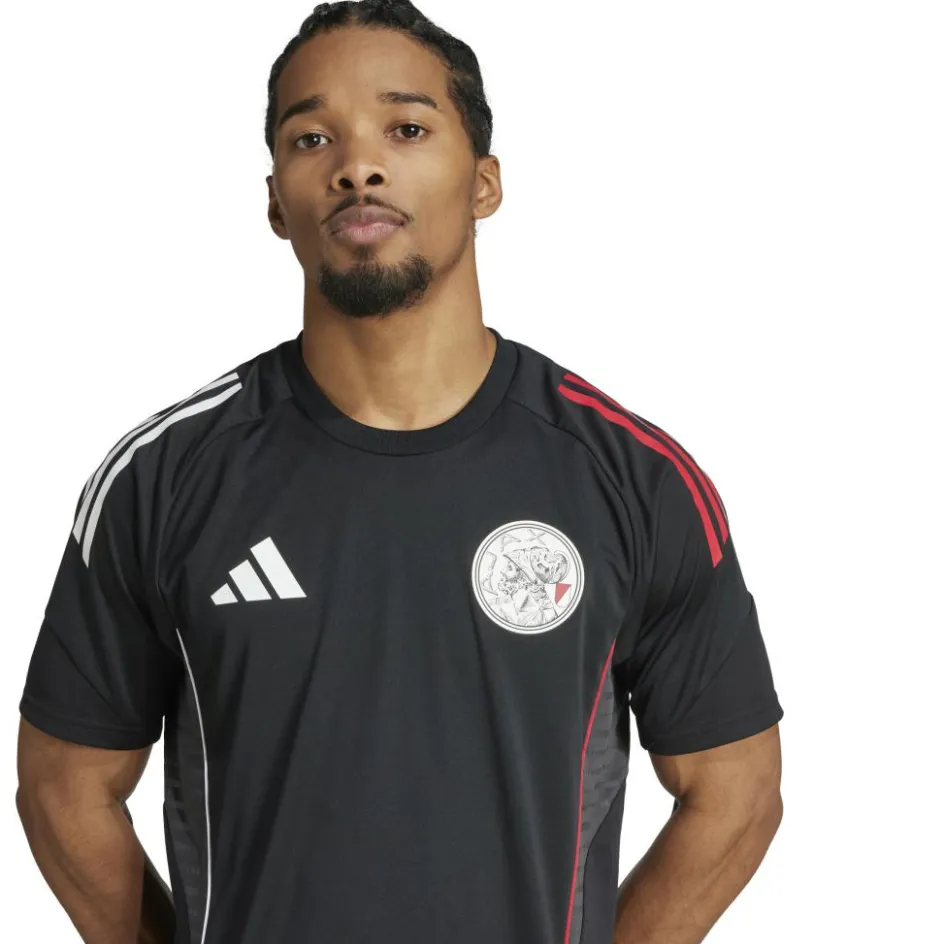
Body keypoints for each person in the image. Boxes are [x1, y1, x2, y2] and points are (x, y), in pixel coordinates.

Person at [14, 2, 784, 942]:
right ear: (275, 201)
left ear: (484, 182)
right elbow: (64, 788)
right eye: (312, 138)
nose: (357, 165)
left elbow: (735, 790)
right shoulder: (163, 479)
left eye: (406, 129)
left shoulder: (635, 479)